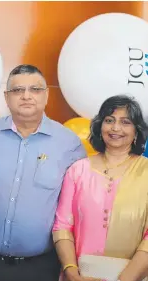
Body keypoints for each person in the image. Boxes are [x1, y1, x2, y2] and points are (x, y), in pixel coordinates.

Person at [0, 64, 86, 281]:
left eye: (35, 89)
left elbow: (78, 206)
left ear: (46, 96)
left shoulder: (69, 144)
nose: (26, 96)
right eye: (17, 90)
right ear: (6, 98)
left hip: (39, 268)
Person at [53, 95, 148, 281]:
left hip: (134, 275)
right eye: (109, 120)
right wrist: (71, 271)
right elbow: (62, 225)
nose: (116, 128)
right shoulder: (78, 170)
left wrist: (125, 279)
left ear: (136, 131)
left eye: (125, 122)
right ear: (100, 126)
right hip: (81, 275)